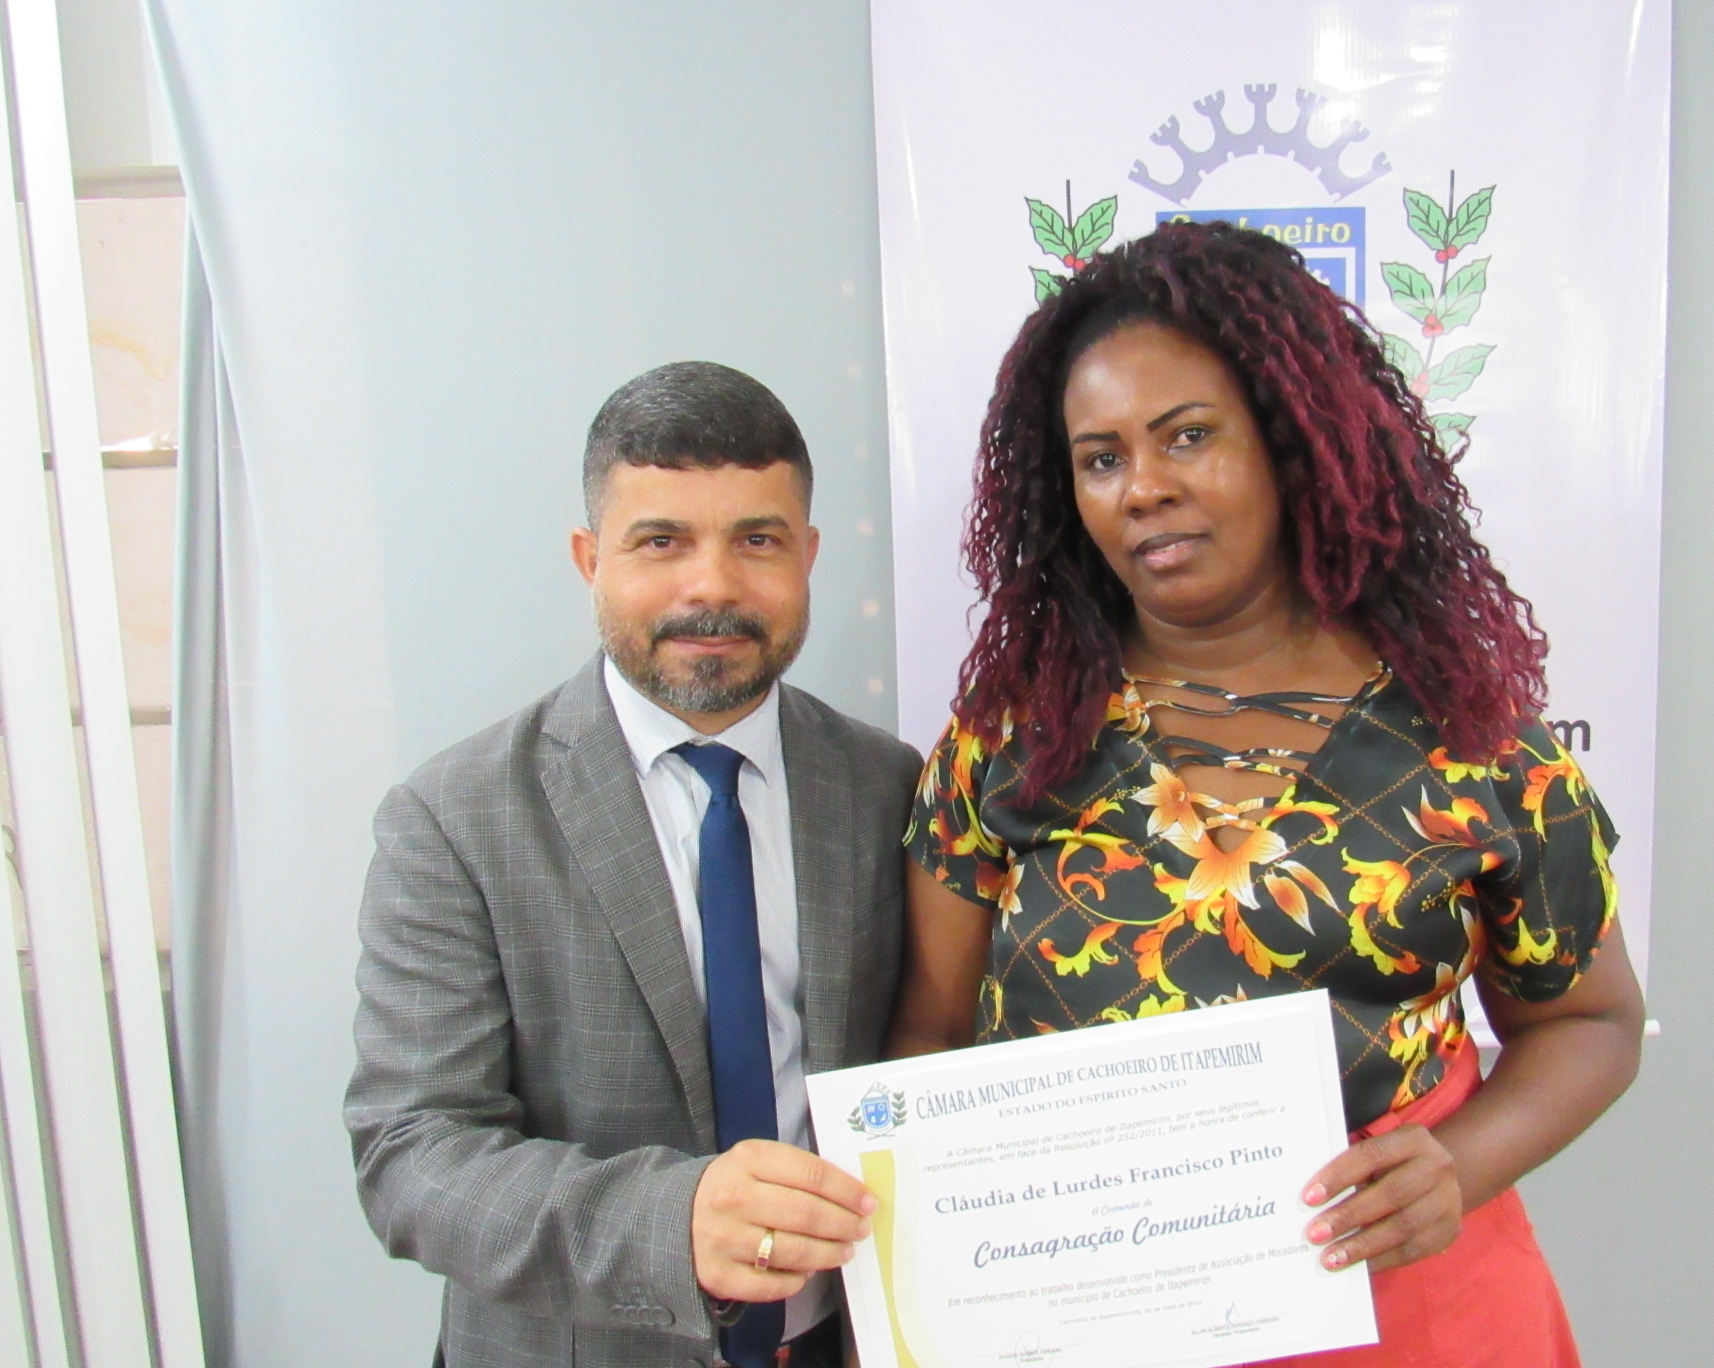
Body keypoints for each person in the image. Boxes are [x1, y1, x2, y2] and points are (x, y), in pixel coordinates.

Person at [888, 222, 1645, 1368]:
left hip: (1405, 1312)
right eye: (1099, 459)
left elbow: (1588, 1022)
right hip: (1082, 1325)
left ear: (1293, 446)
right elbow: (929, 1036)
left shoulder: (1477, 743)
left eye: (1187, 436)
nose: (1143, 489)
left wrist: (1457, 1167)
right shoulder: (1009, 738)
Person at [347, 361, 920, 1368]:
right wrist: (673, 1222)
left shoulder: (888, 785)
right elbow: (412, 1155)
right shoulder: (453, 819)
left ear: (808, 555)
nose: (712, 586)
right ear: (589, 559)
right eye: (661, 542)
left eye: (757, 540)